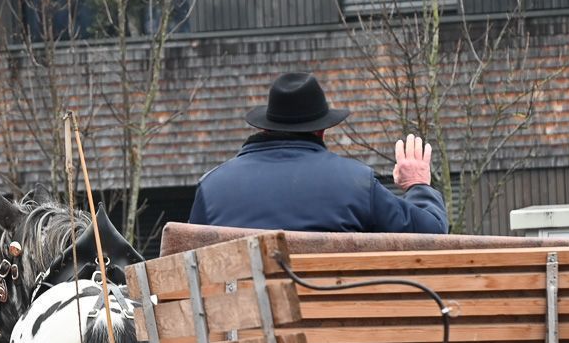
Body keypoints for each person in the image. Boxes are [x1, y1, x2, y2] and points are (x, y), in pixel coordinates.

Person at [188, 72, 447, 234]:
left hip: (243, 321)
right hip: (336, 321)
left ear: (264, 127)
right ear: (321, 130)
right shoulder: (355, 184)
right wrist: (417, 184)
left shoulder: (212, 187)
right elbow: (431, 235)